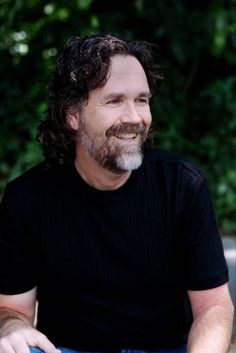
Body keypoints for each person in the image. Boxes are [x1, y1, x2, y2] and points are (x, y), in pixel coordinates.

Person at [0, 33, 234, 353]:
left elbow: (214, 308)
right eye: (114, 100)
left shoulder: (183, 186)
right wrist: (11, 329)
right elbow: (12, 311)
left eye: (142, 100)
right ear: (73, 115)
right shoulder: (26, 199)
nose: (135, 118)